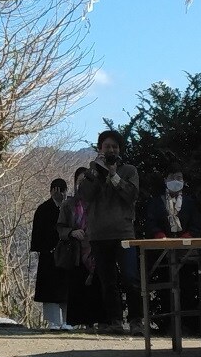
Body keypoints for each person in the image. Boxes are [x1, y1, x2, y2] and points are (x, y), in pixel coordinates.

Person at [77, 129, 143, 335]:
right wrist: (97, 172)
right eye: (107, 147)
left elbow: (131, 195)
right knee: (108, 281)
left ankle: (136, 321)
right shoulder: (92, 171)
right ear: (100, 149)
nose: (111, 150)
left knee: (131, 278)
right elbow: (84, 196)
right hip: (99, 234)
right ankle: (114, 321)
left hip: (124, 232)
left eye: (114, 147)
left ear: (120, 149)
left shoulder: (129, 170)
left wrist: (113, 175)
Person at [57, 167, 103, 329]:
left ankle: (96, 322)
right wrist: (72, 232)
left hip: (95, 250)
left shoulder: (98, 203)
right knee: (77, 287)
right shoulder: (68, 204)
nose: (83, 184)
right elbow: (60, 227)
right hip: (75, 252)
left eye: (86, 181)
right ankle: (79, 322)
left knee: (96, 286)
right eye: (80, 181)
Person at [30, 178, 71, 330]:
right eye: (56, 190)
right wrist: (40, 250)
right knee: (49, 290)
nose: (59, 193)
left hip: (67, 253)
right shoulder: (43, 208)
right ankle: (53, 322)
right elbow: (38, 233)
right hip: (48, 254)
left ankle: (68, 321)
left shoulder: (70, 207)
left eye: (61, 190)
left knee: (67, 289)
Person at [144, 165, 201, 239]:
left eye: (178, 178)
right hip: (161, 244)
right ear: (165, 180)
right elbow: (150, 222)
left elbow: (196, 224)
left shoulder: (190, 203)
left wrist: (188, 235)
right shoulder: (156, 202)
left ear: (183, 181)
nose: (175, 181)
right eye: (171, 178)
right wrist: (158, 234)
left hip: (186, 245)